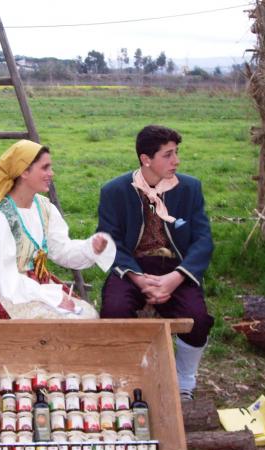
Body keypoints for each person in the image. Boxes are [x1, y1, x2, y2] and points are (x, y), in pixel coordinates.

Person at [97, 125, 214, 401]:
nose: (177, 161)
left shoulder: (189, 188)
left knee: (197, 318)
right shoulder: (114, 190)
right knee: (113, 310)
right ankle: (125, 374)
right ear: (145, 159)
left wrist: (176, 278)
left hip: (175, 268)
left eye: (176, 153)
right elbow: (109, 240)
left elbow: (203, 240)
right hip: (131, 267)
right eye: (168, 155)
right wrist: (138, 278)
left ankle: (184, 380)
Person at [0, 139, 115, 319]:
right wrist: (51, 296)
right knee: (63, 322)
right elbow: (3, 277)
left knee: (87, 315)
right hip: (1, 289)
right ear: (24, 172)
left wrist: (90, 248)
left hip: (34, 284)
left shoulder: (45, 208)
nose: (51, 173)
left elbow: (61, 250)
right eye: (45, 168)